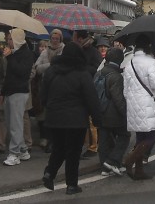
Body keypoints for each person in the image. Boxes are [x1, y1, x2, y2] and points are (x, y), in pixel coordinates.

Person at [39, 41, 102, 195]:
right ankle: (71, 184)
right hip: (76, 119)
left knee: (58, 148)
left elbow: (43, 96)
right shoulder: (82, 74)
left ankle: (49, 173)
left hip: (54, 117)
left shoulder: (51, 71)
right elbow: (91, 98)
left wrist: (50, 108)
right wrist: (97, 118)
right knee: (73, 152)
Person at [121, 34, 155, 181]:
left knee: (140, 137)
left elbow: (125, 90)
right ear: (148, 46)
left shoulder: (129, 63)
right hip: (147, 102)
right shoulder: (151, 62)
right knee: (152, 134)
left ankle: (139, 171)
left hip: (133, 103)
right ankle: (129, 159)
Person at [1, 29, 34, 166]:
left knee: (15, 124)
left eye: (10, 39)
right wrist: (3, 93)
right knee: (11, 123)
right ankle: (22, 149)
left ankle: (14, 154)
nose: (8, 42)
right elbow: (8, 76)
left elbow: (22, 72)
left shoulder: (26, 53)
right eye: (8, 39)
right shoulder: (15, 53)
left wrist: (9, 57)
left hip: (19, 92)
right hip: (11, 91)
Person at [96, 47, 130, 176]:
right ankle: (112, 161)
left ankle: (104, 167)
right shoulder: (116, 77)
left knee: (104, 139)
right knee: (125, 136)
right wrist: (125, 113)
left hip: (100, 111)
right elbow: (118, 99)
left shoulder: (99, 72)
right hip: (113, 114)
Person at [31, 29, 65, 153]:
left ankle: (54, 141)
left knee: (56, 116)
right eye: (53, 38)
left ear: (60, 39)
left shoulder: (63, 50)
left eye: (57, 38)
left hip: (60, 87)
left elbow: (62, 67)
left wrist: (48, 66)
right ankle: (47, 139)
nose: (54, 40)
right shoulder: (45, 51)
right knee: (45, 115)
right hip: (45, 86)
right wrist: (51, 65)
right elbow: (37, 67)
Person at [73, 29, 101, 159]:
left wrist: (82, 68)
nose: (73, 38)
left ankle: (93, 147)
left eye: (74, 36)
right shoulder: (80, 50)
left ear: (79, 38)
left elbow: (97, 69)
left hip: (89, 87)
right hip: (81, 87)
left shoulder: (91, 51)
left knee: (90, 120)